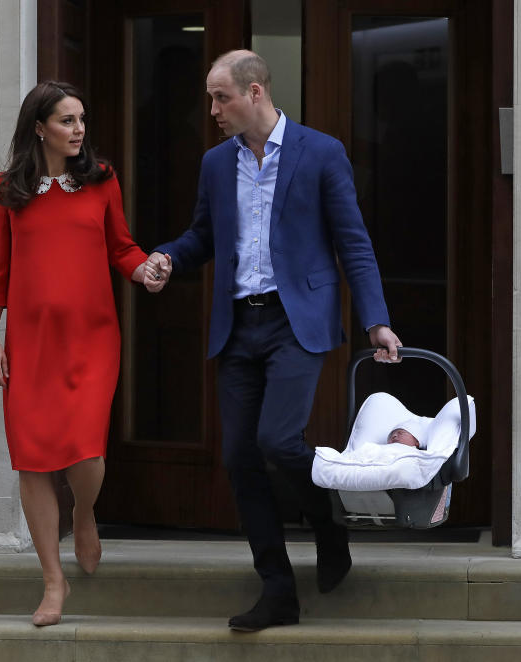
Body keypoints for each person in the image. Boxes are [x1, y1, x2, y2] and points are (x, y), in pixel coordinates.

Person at [148, 50, 402, 632]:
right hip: (238, 324)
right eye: (211, 98)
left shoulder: (321, 152)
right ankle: (278, 590)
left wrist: (376, 321)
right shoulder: (216, 163)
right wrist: (167, 256)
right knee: (239, 457)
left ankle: (327, 521)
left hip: (297, 321)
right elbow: (202, 236)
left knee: (277, 441)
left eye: (221, 97)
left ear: (255, 91)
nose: (212, 109)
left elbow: (353, 244)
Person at [0, 81, 171, 627]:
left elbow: (121, 246)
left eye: (81, 119)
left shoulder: (101, 180)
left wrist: (144, 270)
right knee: (33, 460)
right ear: (39, 127)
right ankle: (52, 580)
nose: (79, 129)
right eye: (67, 120)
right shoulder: (5, 191)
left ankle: (84, 514)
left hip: (93, 337)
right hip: (31, 344)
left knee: (86, 452)